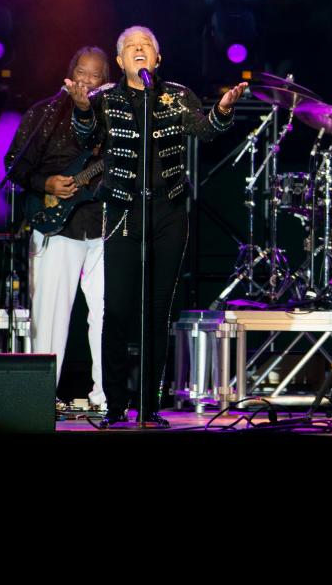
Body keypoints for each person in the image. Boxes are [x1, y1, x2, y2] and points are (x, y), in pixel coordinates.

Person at [66, 26, 246, 428]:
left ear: (157, 58)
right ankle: (115, 405)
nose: (139, 49)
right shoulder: (104, 99)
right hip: (124, 212)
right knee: (118, 310)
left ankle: (148, 406)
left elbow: (205, 130)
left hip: (169, 212)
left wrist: (221, 111)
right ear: (120, 61)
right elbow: (85, 137)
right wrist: (80, 109)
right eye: (131, 46)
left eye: (146, 45)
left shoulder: (176, 95)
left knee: (158, 311)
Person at [4, 47, 111, 411]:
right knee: (49, 316)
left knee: (106, 315)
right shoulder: (44, 113)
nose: (86, 80)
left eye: (94, 75)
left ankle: (105, 397)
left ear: (105, 79)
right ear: (69, 73)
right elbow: (14, 167)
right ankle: (40, 396)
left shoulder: (112, 115)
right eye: (81, 72)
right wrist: (47, 183)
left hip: (103, 224)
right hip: (56, 224)